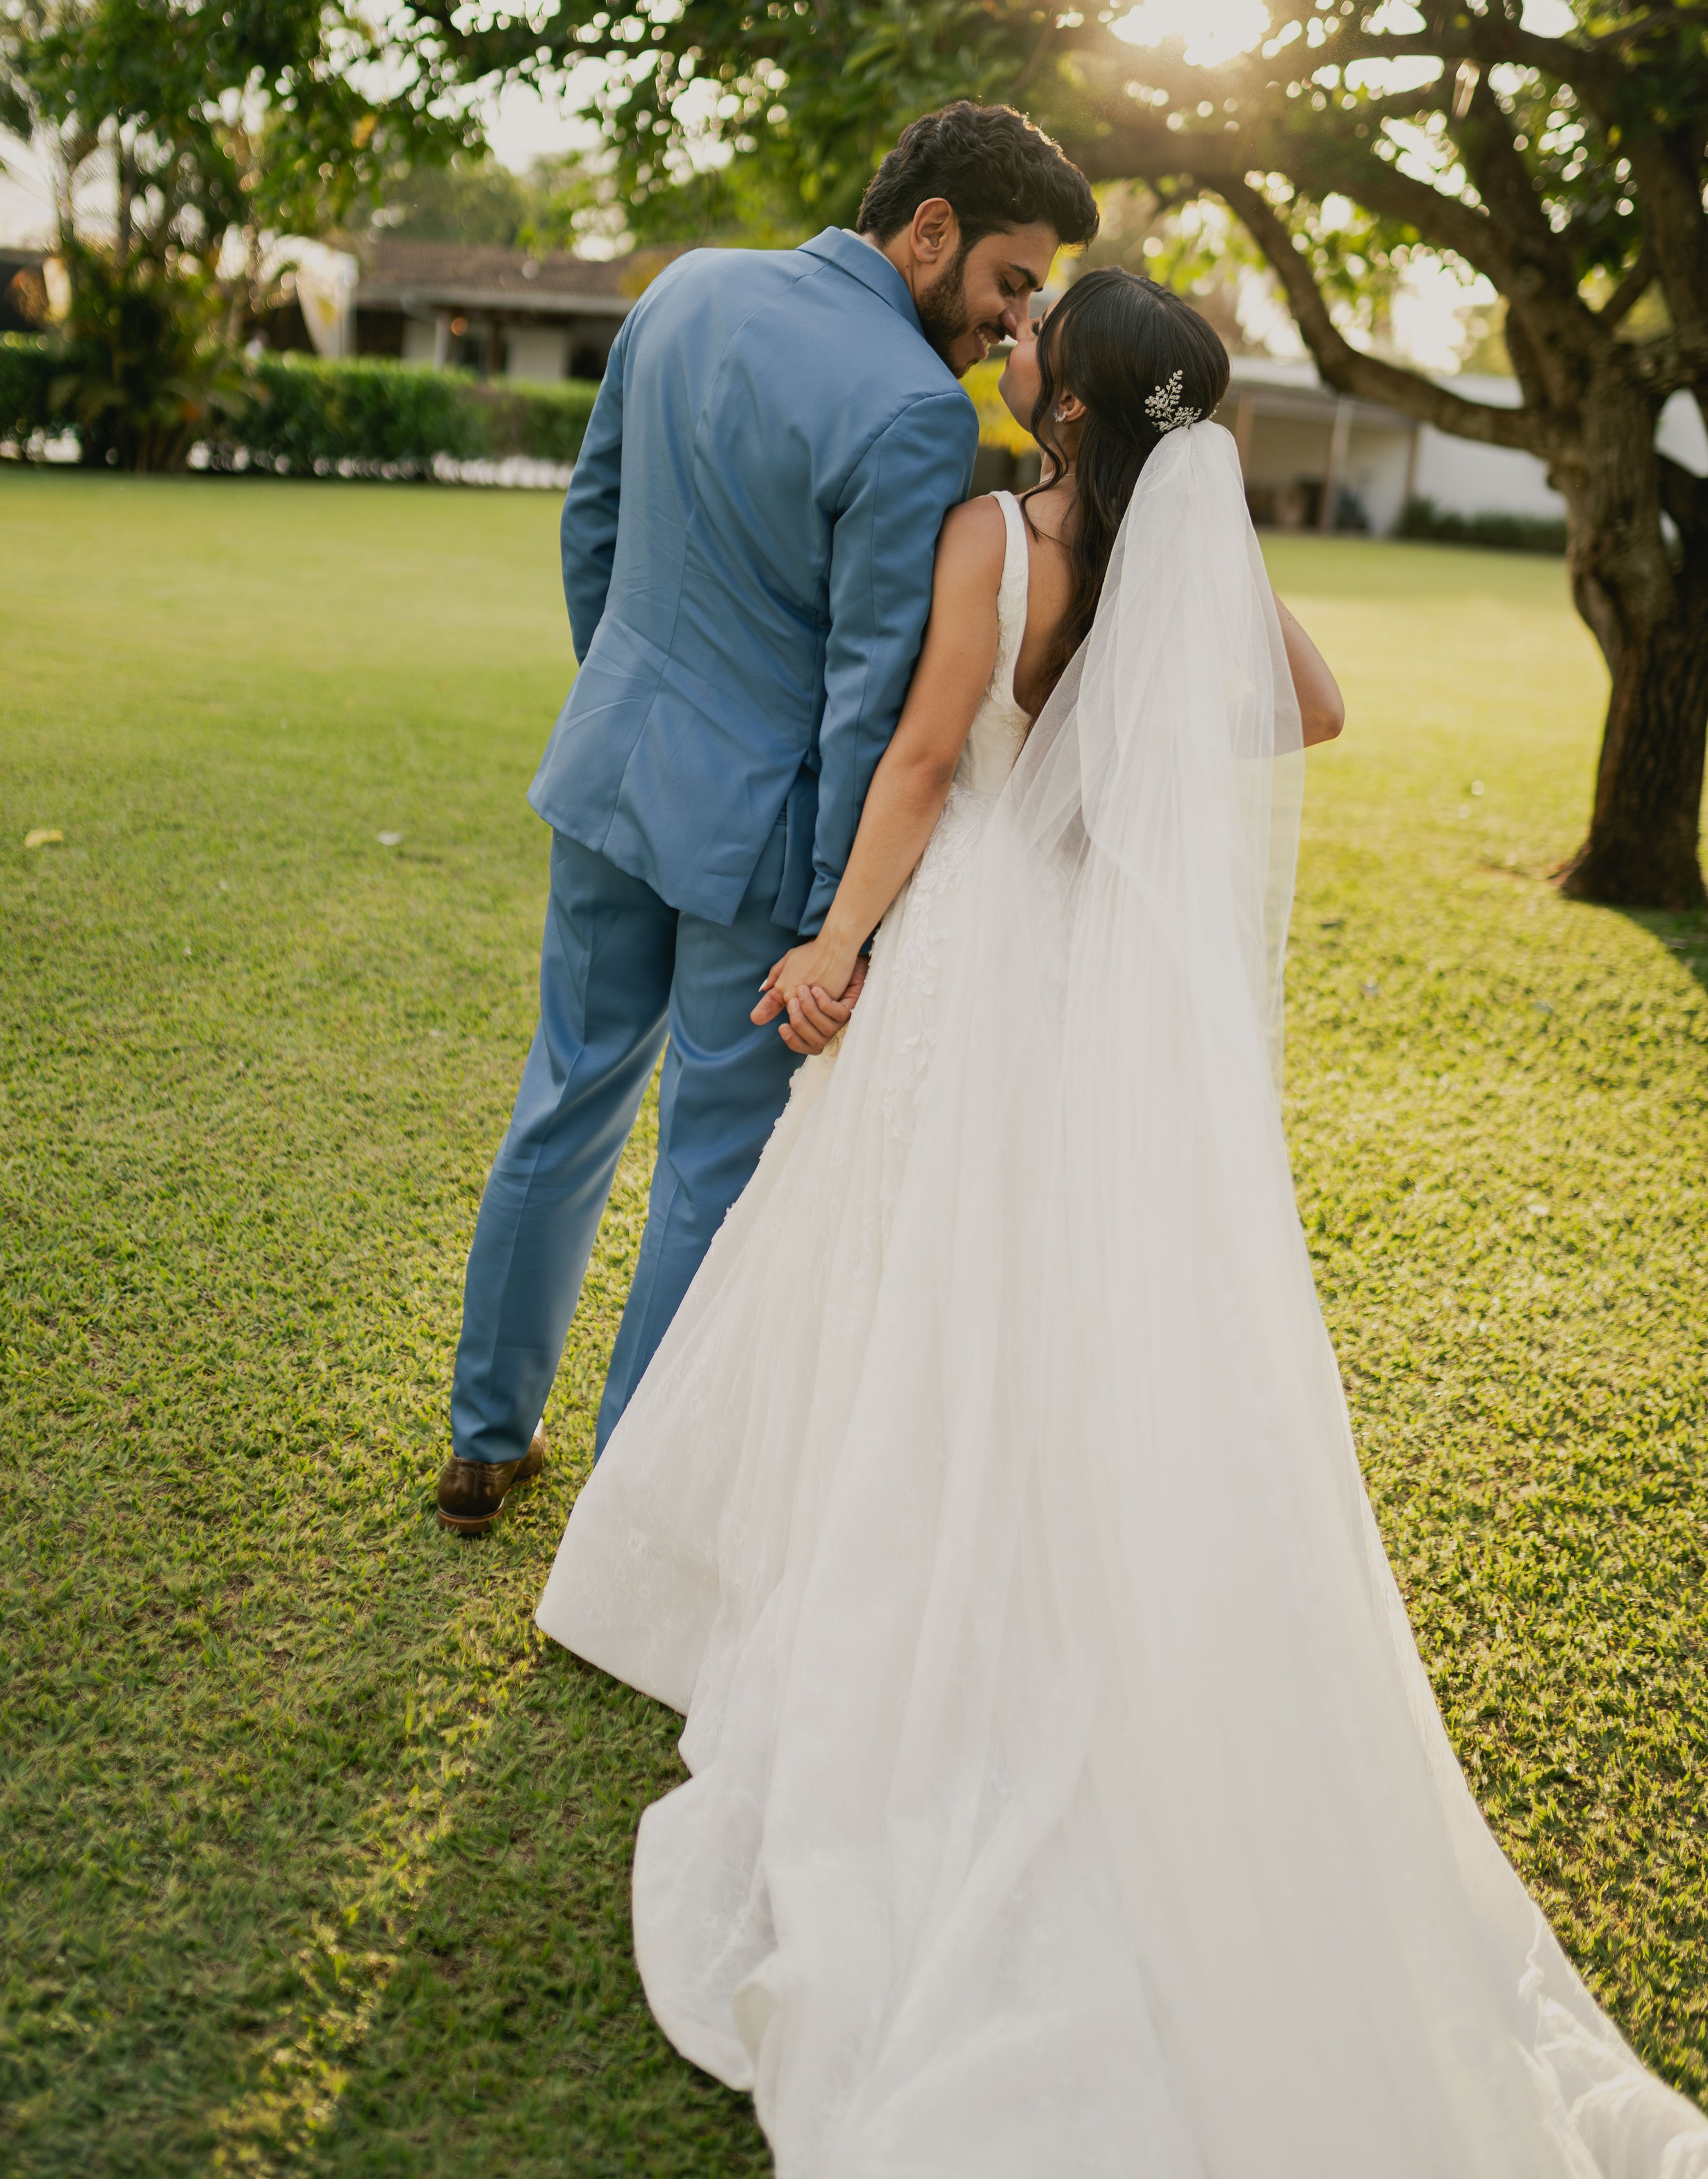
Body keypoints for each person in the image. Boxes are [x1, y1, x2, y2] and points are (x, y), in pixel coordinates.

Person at [537, 268, 1708, 2177]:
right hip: (1091, 960)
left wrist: (835, 948)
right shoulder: (1169, 556)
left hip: (968, 936)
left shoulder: (989, 537)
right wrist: (1166, 646)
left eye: (1031, 342)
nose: (1005, 351)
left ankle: (899, 1593)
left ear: (1068, 403)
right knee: (1058, 1289)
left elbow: (925, 760)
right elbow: (1314, 707)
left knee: (915, 1274)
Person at [436, 103, 1101, 1534]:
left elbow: (592, 524)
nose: (1012, 322)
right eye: (1008, 281)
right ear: (930, 229)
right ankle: (628, 1509)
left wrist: (628, 707)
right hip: (757, 840)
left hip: (607, 773)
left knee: (565, 1092)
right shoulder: (915, 411)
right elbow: (867, 692)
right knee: (708, 1167)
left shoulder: (683, 289)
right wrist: (832, 922)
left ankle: (483, 1443)